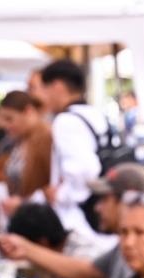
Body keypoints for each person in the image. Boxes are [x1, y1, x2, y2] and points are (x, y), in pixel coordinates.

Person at [0, 163, 144, 278]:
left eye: (105, 199)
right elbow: (85, 270)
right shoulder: (120, 249)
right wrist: (25, 249)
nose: (97, 208)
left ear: (128, 201)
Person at [36, 59, 108, 234]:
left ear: (57, 86)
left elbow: (86, 169)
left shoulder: (66, 121)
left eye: (43, 89)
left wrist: (60, 195)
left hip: (78, 221)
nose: (41, 97)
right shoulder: (94, 114)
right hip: (98, 213)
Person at [0, 90, 52, 210]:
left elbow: (53, 187)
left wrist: (23, 203)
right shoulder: (20, 140)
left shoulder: (46, 138)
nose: (5, 125)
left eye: (10, 119)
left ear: (28, 111)